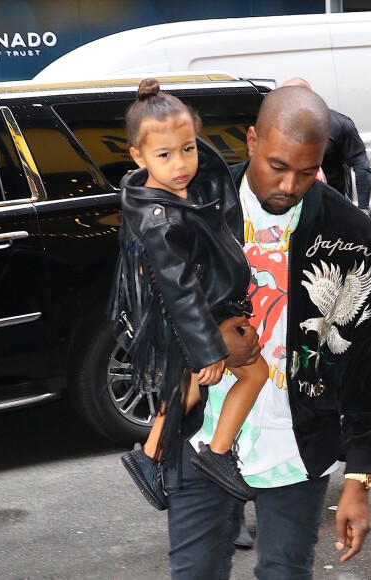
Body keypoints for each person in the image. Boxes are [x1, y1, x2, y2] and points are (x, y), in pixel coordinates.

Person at [162, 84, 371, 579]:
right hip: (198, 436)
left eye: (307, 170)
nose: (290, 185)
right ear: (252, 140)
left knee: (284, 573)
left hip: (297, 446)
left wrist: (359, 475)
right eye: (277, 166)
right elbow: (141, 317)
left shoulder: (352, 236)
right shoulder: (196, 213)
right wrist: (205, 338)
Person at [109, 78, 269, 510]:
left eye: (189, 148)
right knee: (249, 375)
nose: (181, 163)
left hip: (205, 316)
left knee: (189, 390)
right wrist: (209, 349)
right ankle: (215, 454)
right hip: (193, 325)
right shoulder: (159, 219)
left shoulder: (189, 187)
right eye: (164, 155)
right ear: (138, 158)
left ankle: (151, 456)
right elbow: (179, 292)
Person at [282, 77, 371, 214]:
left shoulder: (340, 125)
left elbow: (361, 166)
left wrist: (363, 209)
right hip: (295, 209)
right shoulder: (281, 126)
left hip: (334, 208)